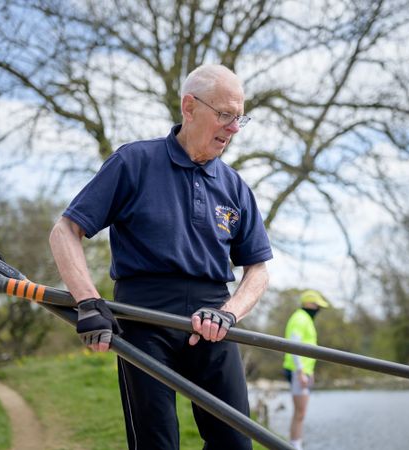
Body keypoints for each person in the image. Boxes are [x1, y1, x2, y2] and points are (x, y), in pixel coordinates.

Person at [50, 64, 273, 450]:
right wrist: (88, 301)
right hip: (143, 319)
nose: (233, 128)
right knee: (157, 443)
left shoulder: (235, 186)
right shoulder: (134, 162)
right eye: (224, 115)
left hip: (213, 319)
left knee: (236, 443)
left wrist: (230, 312)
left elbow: (257, 270)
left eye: (239, 118)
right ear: (189, 107)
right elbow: (65, 231)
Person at [282, 290, 329, 450]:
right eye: (317, 305)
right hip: (297, 371)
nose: (319, 309)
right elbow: (294, 345)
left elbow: (309, 347)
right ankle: (295, 446)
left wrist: (310, 371)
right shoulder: (300, 318)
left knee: (300, 412)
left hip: (302, 371)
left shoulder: (305, 318)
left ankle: (296, 445)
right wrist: (301, 372)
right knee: (300, 412)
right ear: (308, 304)